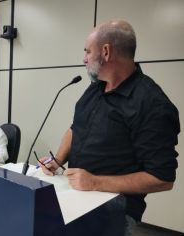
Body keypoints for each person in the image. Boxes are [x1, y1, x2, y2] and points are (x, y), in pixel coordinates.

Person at [39, 20, 180, 236]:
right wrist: (56, 161)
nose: (83, 58)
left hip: (114, 207)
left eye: (87, 51)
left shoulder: (152, 103)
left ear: (106, 51)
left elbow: (162, 178)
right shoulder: (95, 88)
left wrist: (95, 182)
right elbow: (76, 128)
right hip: (75, 195)